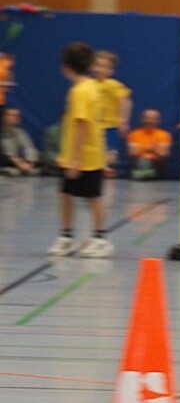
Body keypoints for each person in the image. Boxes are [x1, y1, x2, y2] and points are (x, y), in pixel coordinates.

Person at [47, 42, 114, 258]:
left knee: (93, 198)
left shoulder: (80, 91)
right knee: (66, 194)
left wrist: (75, 160)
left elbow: (81, 125)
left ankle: (101, 240)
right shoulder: (92, 86)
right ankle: (66, 237)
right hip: (75, 155)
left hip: (85, 157)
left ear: (67, 67)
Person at [91, 50, 133, 178]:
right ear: (92, 67)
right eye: (99, 65)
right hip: (94, 125)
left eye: (106, 67)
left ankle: (105, 168)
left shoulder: (113, 85)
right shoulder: (90, 84)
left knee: (109, 151)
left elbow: (125, 100)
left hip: (109, 125)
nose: (101, 69)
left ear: (111, 70)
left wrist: (123, 120)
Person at [126, 108, 173, 179]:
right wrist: (153, 149)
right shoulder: (134, 134)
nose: (149, 121)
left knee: (147, 163)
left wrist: (142, 148)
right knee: (142, 162)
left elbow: (163, 156)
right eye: (147, 118)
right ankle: (141, 175)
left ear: (158, 121)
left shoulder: (165, 135)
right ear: (142, 119)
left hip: (156, 166)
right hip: (138, 165)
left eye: (153, 119)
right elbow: (132, 154)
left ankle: (145, 175)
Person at [0, 107, 40, 176]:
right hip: (5, 161)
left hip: (19, 164)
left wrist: (30, 163)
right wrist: (18, 162)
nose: (15, 118)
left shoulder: (20, 132)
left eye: (17, 116)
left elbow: (29, 148)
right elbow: (7, 153)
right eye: (11, 115)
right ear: (4, 117)